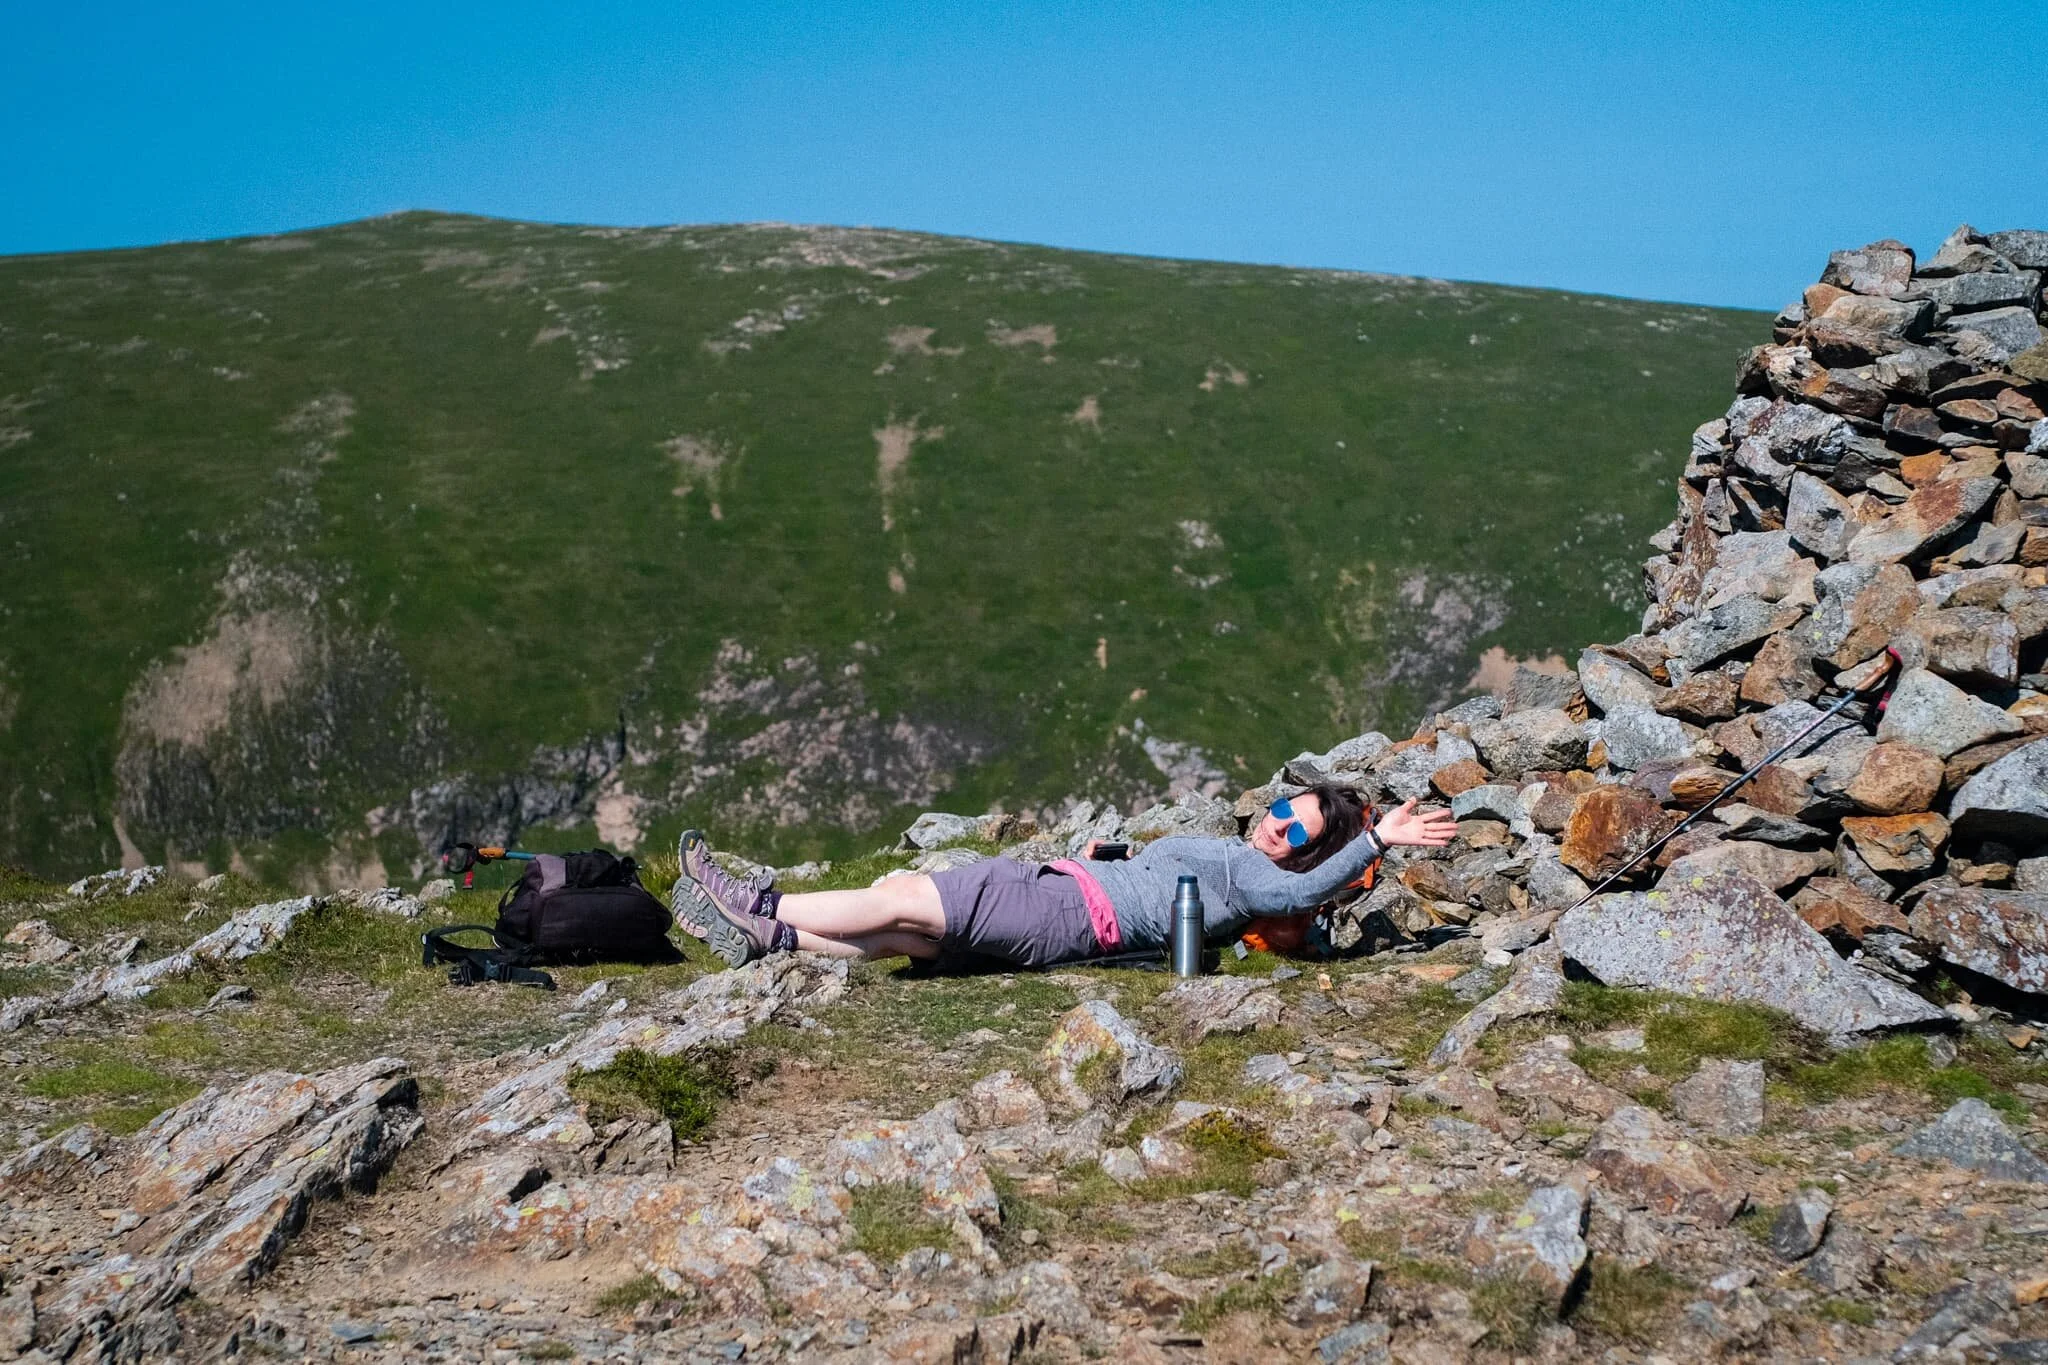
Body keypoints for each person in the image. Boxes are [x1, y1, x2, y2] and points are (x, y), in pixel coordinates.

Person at [671, 784, 1456, 970]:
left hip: (1063, 907)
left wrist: (1375, 840)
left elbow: (1295, 898)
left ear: (1304, 853)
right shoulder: (1239, 863)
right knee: (898, 929)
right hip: (1067, 904)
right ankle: (774, 941)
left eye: (1295, 831)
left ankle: (754, 900)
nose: (1277, 821)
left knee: (905, 896)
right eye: (1285, 806)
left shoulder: (1259, 878)